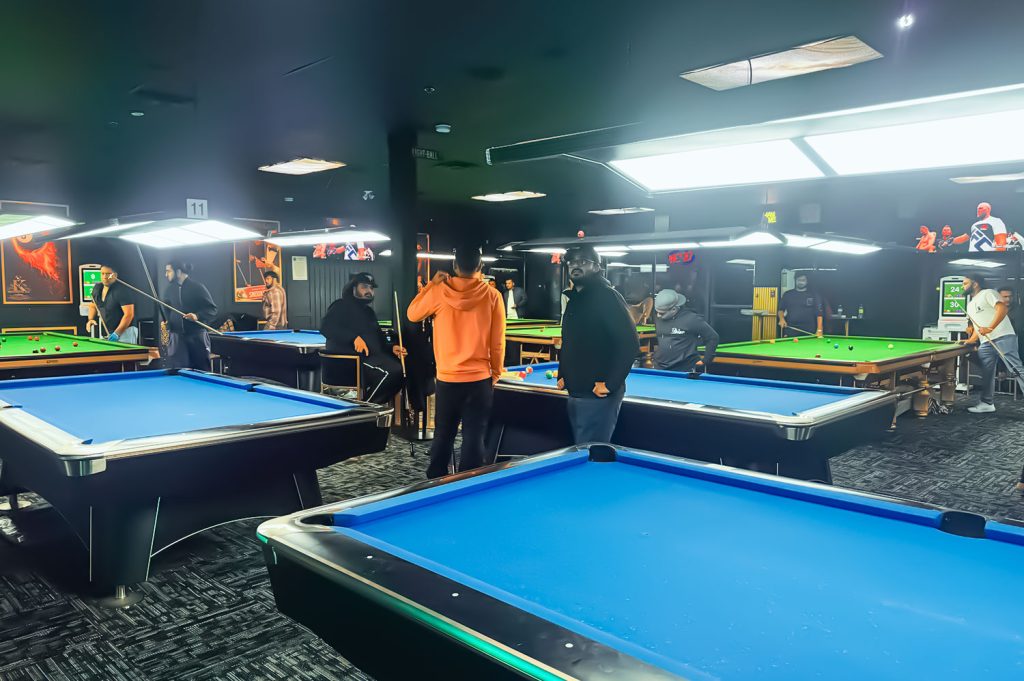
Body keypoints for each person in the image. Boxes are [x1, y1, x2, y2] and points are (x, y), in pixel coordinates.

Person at [408, 245, 505, 479]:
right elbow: (498, 341)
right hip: (479, 378)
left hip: (447, 378)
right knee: (474, 436)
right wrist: (496, 372)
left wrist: (431, 285)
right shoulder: (493, 296)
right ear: (481, 267)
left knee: (443, 434)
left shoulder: (439, 292)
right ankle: (467, 485)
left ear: (454, 266)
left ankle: (435, 480)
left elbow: (412, 314)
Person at [557, 244, 640, 445]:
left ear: (596, 267)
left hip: (597, 393)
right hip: (576, 390)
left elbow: (629, 343)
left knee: (590, 451)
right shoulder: (575, 298)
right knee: (580, 449)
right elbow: (571, 341)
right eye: (571, 262)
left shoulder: (607, 296)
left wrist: (610, 383)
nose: (575, 266)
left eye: (582, 262)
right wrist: (563, 373)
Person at [320, 273, 407, 404]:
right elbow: (326, 327)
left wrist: (392, 348)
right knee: (392, 372)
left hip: (371, 359)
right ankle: (366, 410)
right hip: (351, 361)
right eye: (364, 287)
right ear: (353, 288)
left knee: (404, 369)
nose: (369, 291)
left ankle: (371, 407)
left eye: (371, 288)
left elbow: (379, 338)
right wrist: (354, 338)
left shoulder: (369, 312)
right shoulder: (340, 306)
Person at [961, 272, 1024, 413]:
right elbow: (978, 326)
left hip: (1003, 337)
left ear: (975, 284)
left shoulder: (988, 293)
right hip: (986, 342)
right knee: (987, 373)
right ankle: (987, 403)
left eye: (965, 283)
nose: (963, 286)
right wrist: (971, 340)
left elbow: (1002, 308)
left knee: (1016, 370)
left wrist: (990, 328)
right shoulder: (970, 305)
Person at [163, 261, 218, 370]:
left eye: (168, 271)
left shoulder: (197, 287)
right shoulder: (169, 290)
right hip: (177, 339)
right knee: (178, 372)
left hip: (197, 337)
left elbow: (212, 309)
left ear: (178, 272)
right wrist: (167, 322)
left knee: (201, 371)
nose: (166, 274)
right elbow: (167, 310)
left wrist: (197, 316)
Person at [652, 290, 719, 372]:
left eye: (662, 313)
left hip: (685, 368)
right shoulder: (658, 318)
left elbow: (713, 337)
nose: (658, 315)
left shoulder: (691, 319)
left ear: (674, 309)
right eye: (657, 312)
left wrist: (706, 360)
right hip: (660, 367)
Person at [87, 264, 139, 344]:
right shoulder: (97, 288)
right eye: (102, 273)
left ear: (115, 275)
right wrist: (90, 319)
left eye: (108, 274)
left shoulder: (122, 290)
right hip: (107, 331)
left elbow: (129, 314)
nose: (105, 277)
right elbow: (93, 305)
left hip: (126, 331)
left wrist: (117, 333)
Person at [778, 273, 823, 337]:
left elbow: (819, 314)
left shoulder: (814, 295)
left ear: (807, 281)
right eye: (799, 280)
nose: (801, 282)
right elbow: (781, 310)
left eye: (803, 280)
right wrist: (781, 319)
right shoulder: (787, 294)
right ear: (795, 280)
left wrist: (819, 330)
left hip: (809, 330)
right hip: (791, 329)